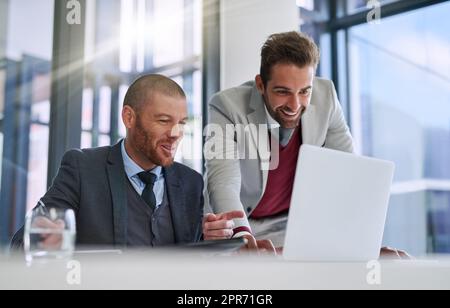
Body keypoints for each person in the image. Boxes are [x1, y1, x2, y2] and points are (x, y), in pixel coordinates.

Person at [205, 31, 408, 258]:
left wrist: (364, 248)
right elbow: (223, 182)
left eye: (304, 91)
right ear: (260, 85)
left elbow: (348, 173)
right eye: (283, 92)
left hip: (291, 226)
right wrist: (241, 236)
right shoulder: (227, 106)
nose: (295, 105)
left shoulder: (326, 97)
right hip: (240, 223)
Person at [11, 74, 241, 249]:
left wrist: (209, 238)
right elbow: (23, 242)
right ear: (129, 117)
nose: (176, 133)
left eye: (182, 123)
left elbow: (191, 257)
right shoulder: (82, 168)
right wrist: (43, 238)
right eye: (163, 120)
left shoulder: (190, 182)